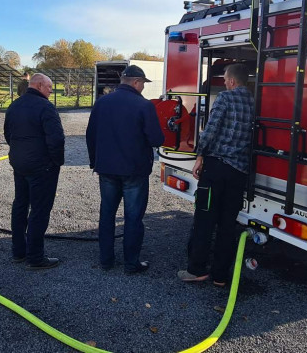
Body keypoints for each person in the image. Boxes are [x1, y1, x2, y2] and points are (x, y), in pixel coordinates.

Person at [178, 63, 254, 287]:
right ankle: (221, 276)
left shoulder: (225, 99)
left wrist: (199, 156)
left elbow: (210, 130)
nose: (223, 83)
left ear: (231, 81)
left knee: (204, 219)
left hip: (217, 169)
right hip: (239, 172)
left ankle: (197, 270)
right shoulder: (254, 101)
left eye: (225, 80)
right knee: (228, 225)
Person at [86, 65, 164, 274]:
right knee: (133, 217)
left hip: (107, 170)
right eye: (143, 84)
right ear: (137, 83)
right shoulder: (144, 106)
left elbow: (90, 135)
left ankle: (106, 260)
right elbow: (156, 139)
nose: (143, 88)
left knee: (107, 214)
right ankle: (131, 263)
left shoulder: (102, 103)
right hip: (134, 171)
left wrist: (95, 162)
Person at [4, 73, 65, 270]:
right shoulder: (46, 107)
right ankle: (36, 257)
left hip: (19, 164)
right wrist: (56, 162)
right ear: (39, 85)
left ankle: (18, 251)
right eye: (49, 87)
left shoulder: (14, 105)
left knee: (20, 205)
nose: (51, 91)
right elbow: (56, 139)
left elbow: (8, 134)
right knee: (39, 210)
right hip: (41, 167)